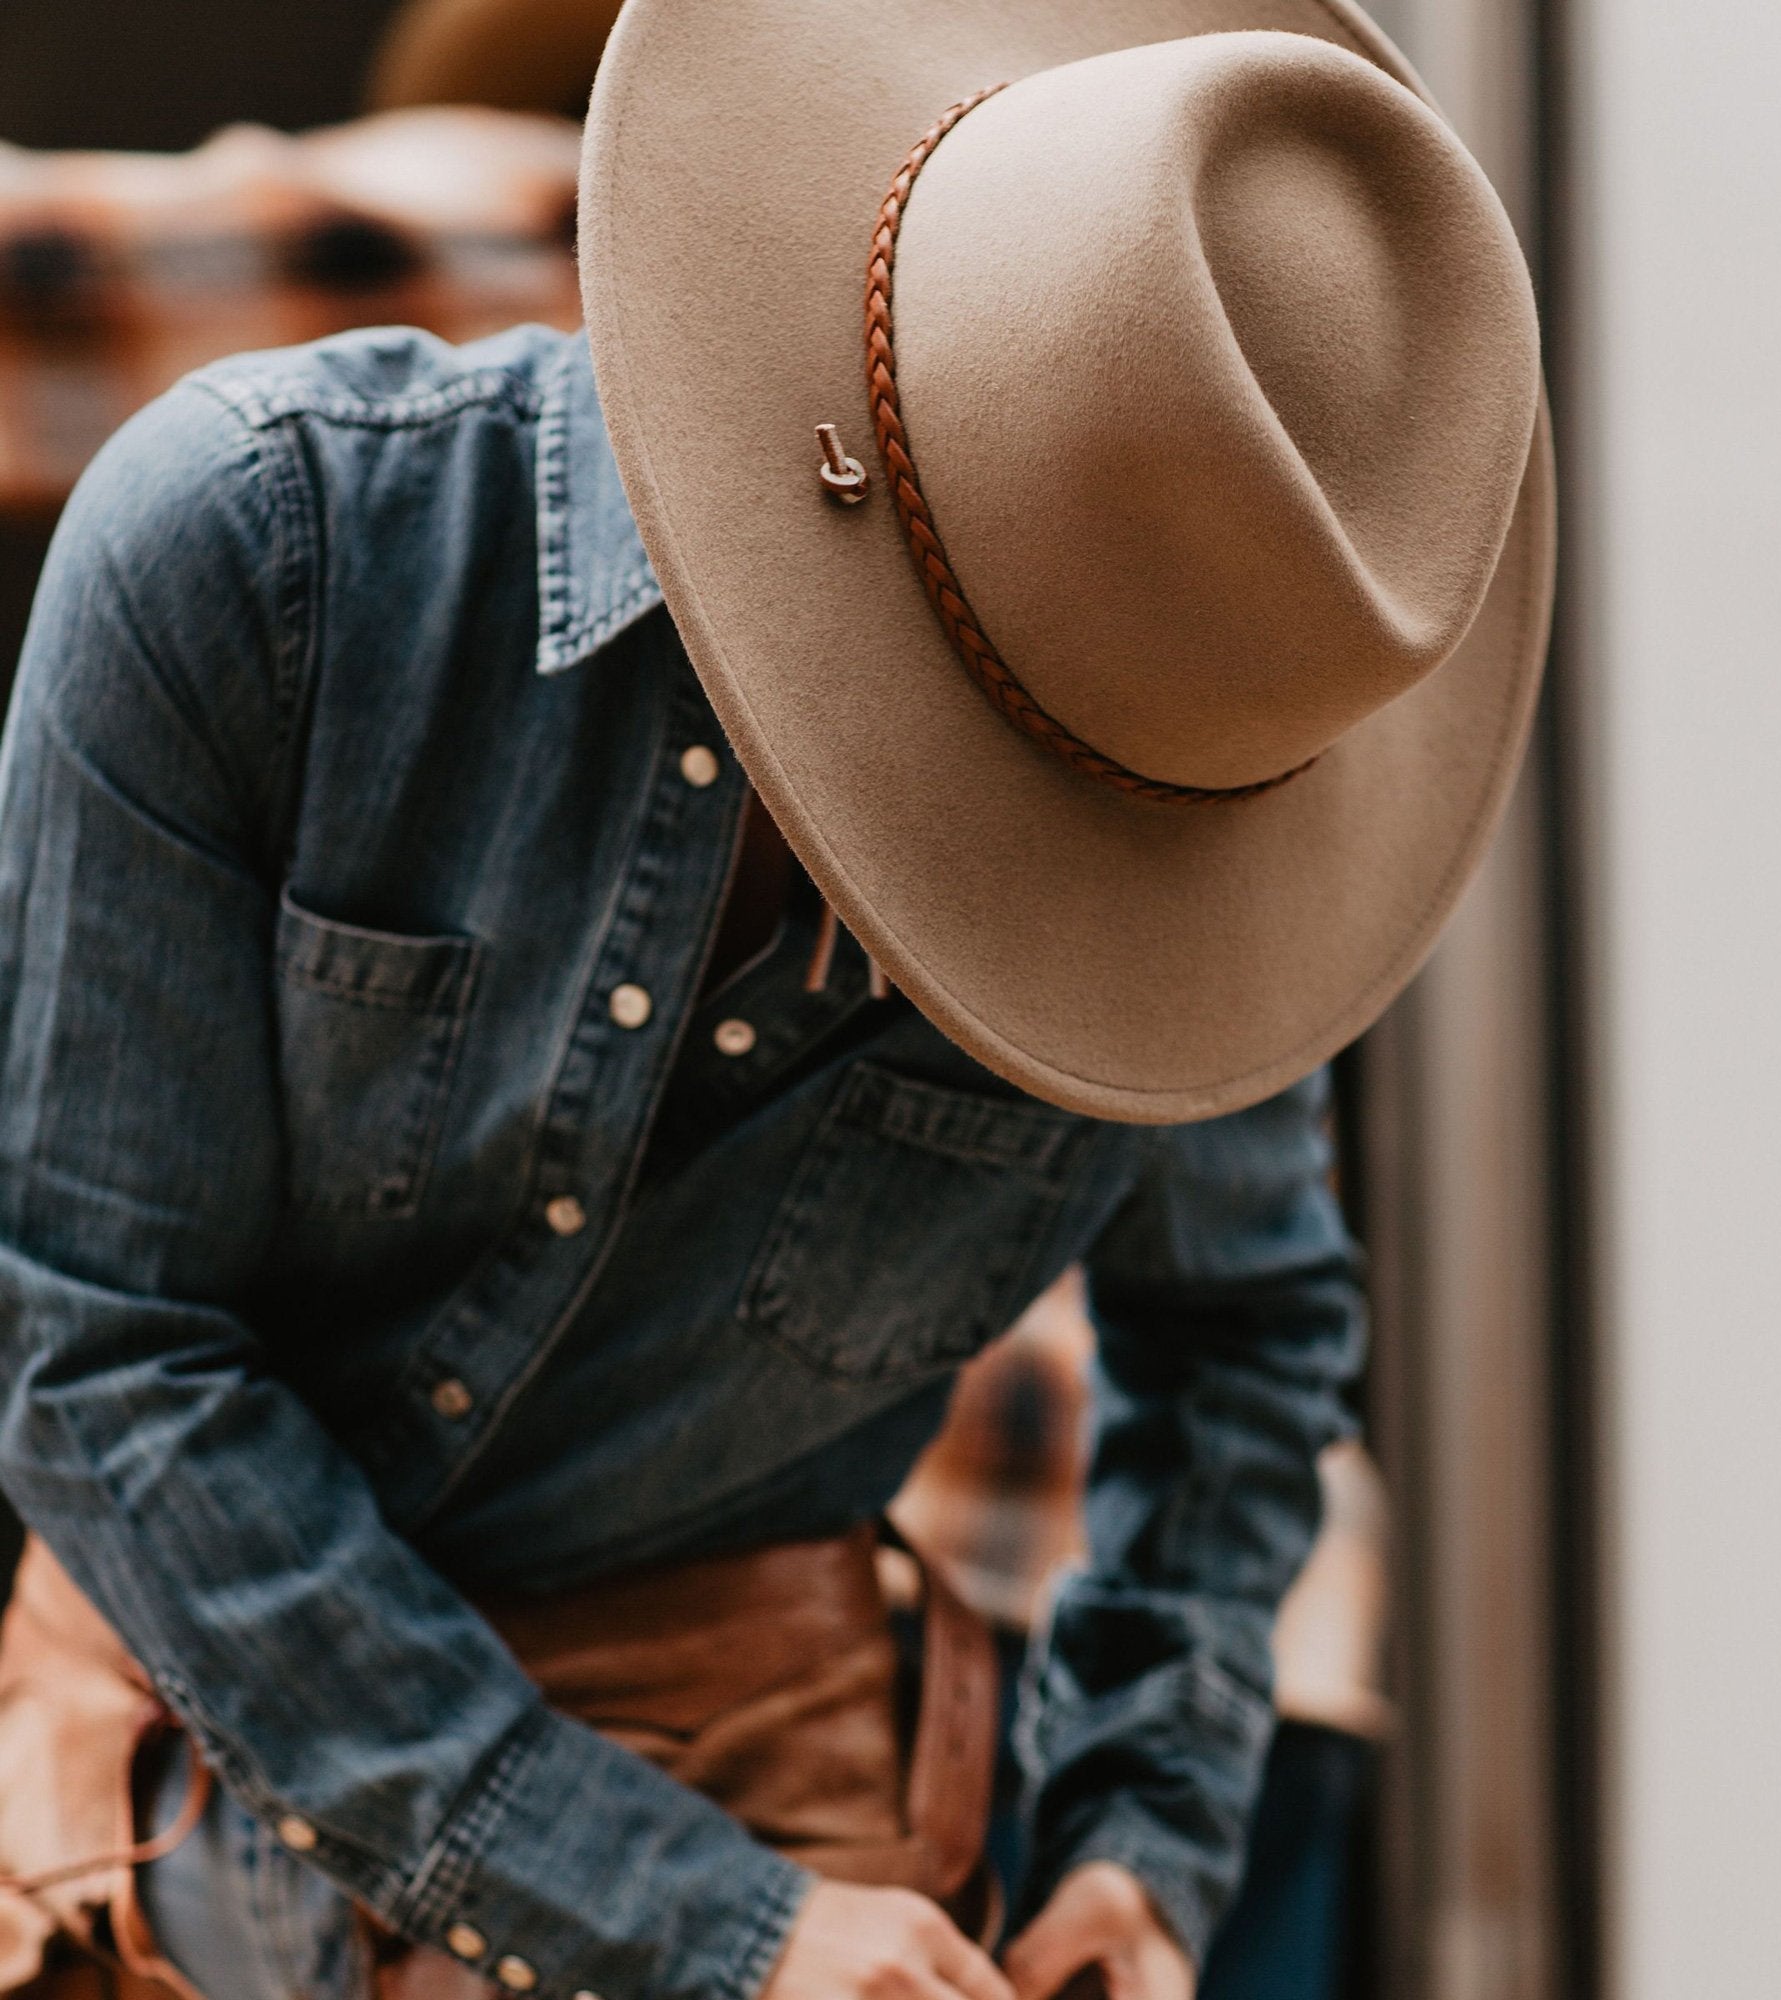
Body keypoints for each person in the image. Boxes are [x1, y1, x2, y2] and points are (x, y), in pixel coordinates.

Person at [0, 2, 1553, 1999]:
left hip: (818, 1816)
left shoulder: (1197, 789)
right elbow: (100, 1345)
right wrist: (698, 1922)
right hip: (174, 1838)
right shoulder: (265, 562)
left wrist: (1138, 1851)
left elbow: (1241, 1330)